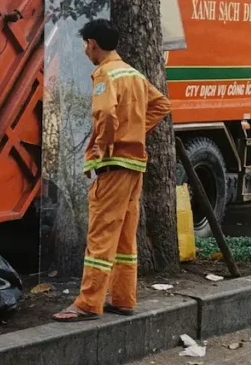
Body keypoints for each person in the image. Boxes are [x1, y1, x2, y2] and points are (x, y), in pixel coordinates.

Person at [53, 19, 172, 322]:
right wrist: (135, 132)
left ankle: (88, 303)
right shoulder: (133, 73)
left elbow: (105, 112)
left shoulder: (105, 73)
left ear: (92, 43)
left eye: (85, 45)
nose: (85, 50)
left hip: (114, 165)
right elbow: (161, 105)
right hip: (134, 166)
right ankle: (123, 299)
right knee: (124, 237)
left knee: (101, 234)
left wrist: (104, 145)